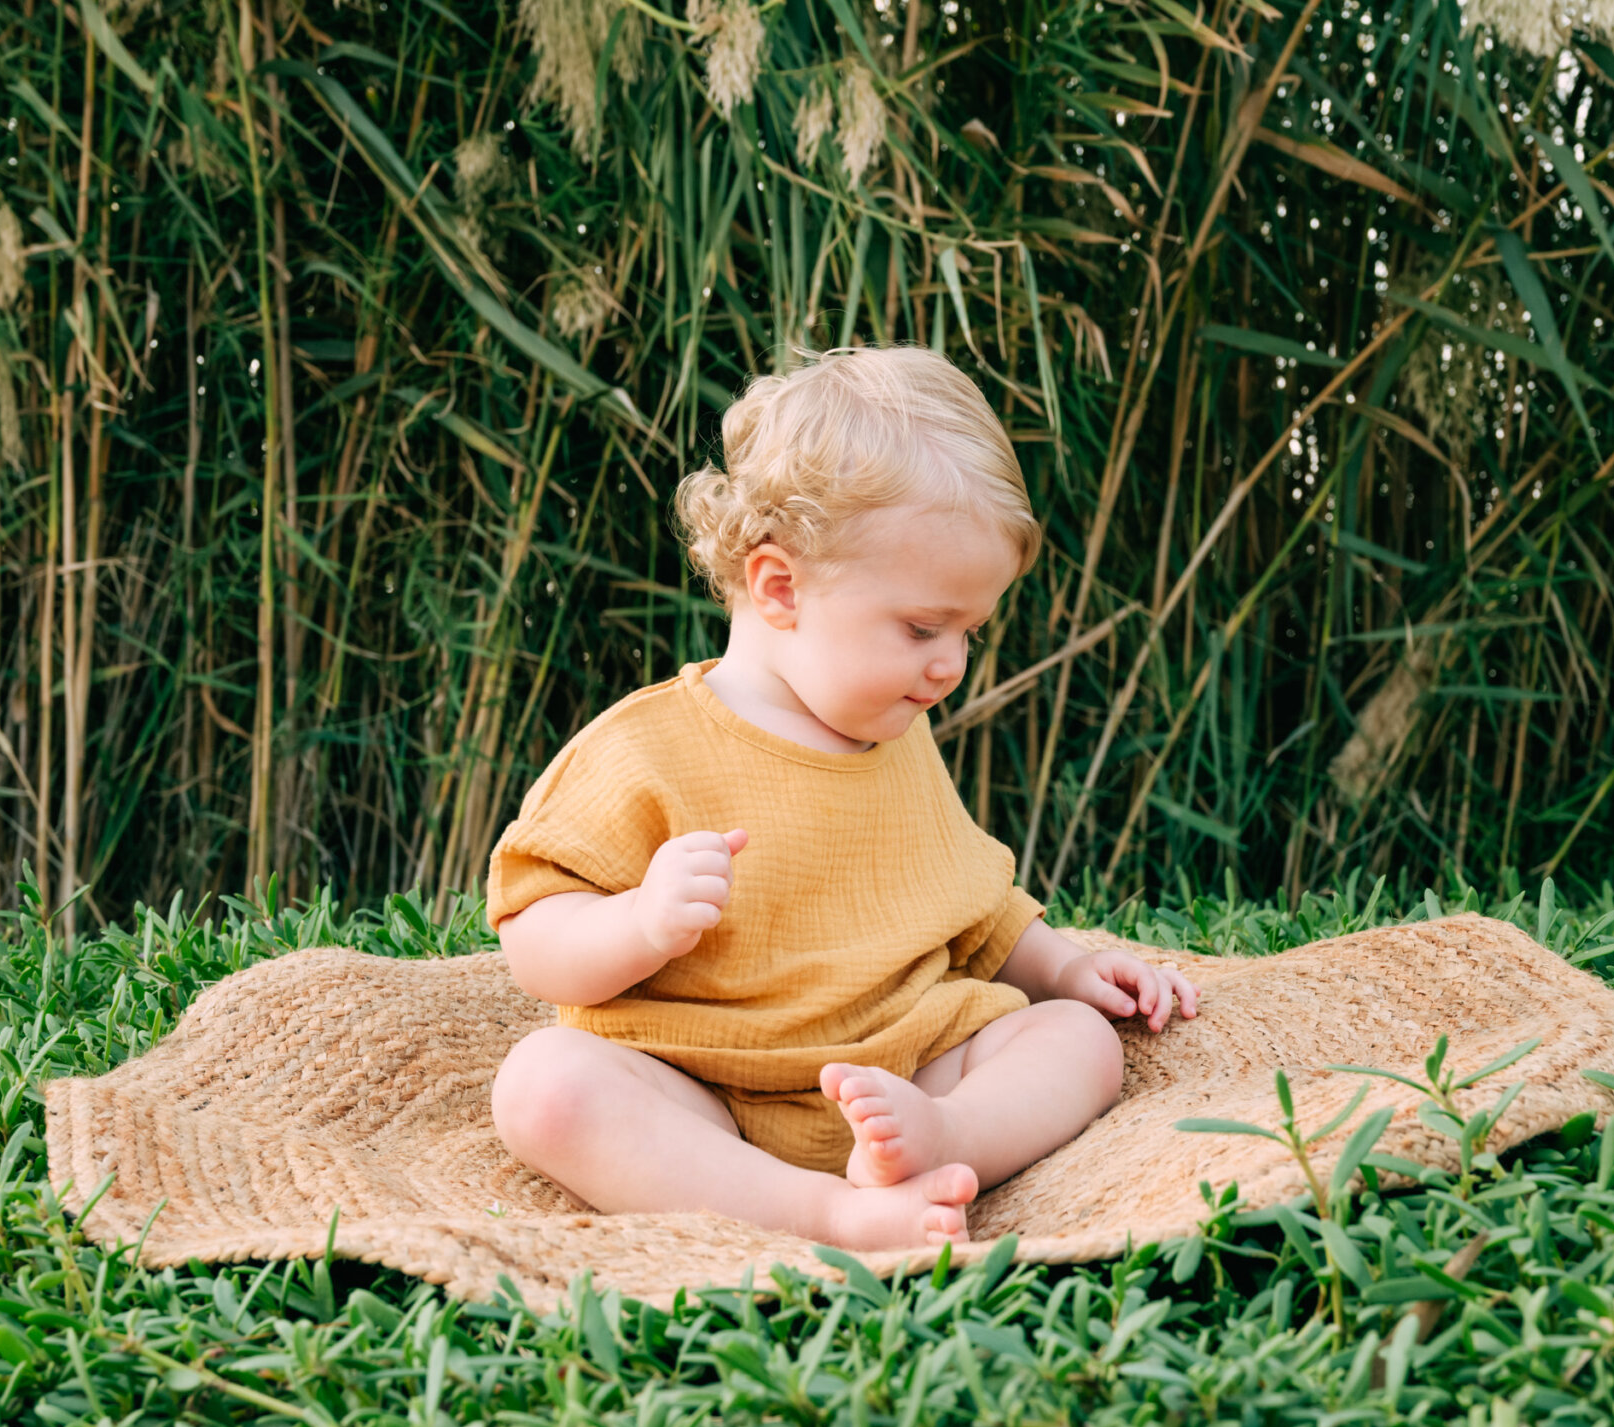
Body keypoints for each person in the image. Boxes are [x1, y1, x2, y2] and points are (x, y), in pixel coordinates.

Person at [484, 346, 1199, 1250]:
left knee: (1079, 1040)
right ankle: (828, 1212)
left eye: (969, 632)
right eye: (922, 627)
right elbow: (533, 939)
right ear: (781, 587)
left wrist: (1065, 970)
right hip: (705, 1093)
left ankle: (943, 1138)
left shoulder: (898, 738)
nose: (951, 664)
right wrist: (640, 922)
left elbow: (970, 911)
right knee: (545, 1085)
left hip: (910, 1066)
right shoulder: (642, 747)